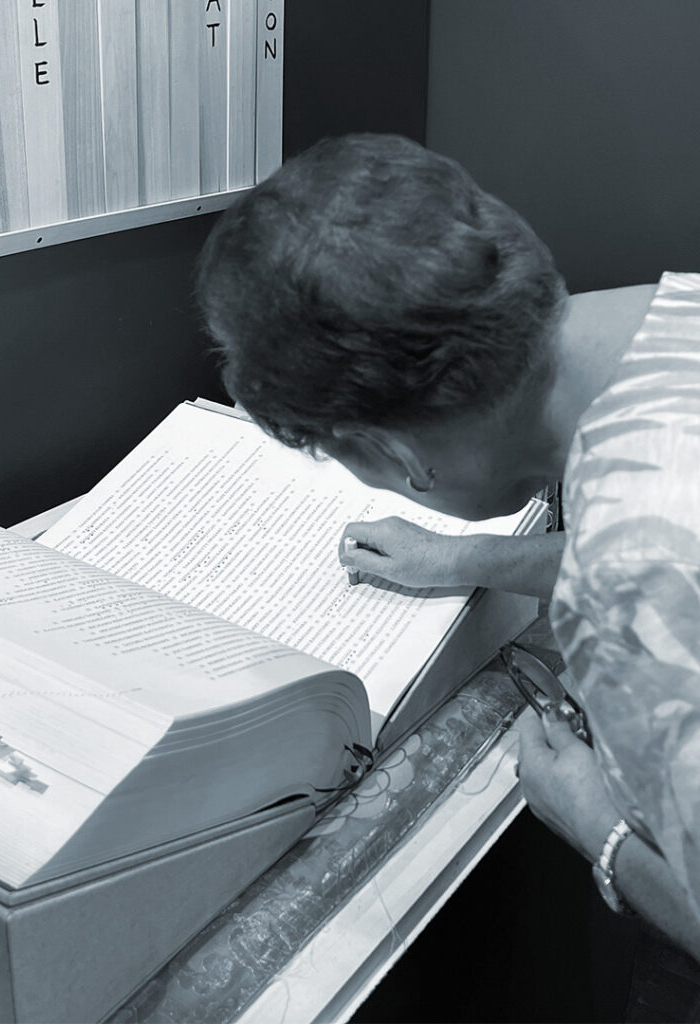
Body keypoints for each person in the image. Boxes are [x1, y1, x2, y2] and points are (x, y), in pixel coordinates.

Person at [195, 133, 700, 969]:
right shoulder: (670, 314)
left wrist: (594, 822)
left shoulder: (632, 566)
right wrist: (465, 560)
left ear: (388, 451)